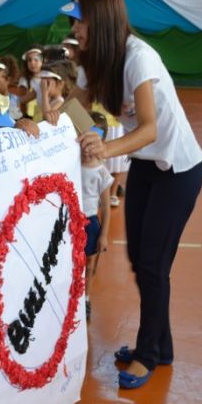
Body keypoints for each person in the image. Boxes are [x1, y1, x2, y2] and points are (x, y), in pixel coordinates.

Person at [65, 0, 202, 389]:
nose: (74, 29)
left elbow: (148, 129)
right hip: (146, 166)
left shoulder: (139, 58)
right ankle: (162, 347)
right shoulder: (94, 59)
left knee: (152, 265)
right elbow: (74, 107)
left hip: (177, 170)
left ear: (100, 20)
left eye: (79, 21)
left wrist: (104, 149)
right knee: (139, 261)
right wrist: (41, 124)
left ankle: (148, 355)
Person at [80, 112, 113, 320]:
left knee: (89, 264)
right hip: (71, 221)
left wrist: (103, 235)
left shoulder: (101, 172)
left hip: (90, 222)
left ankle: (85, 298)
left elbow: (106, 208)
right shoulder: (72, 163)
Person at [18, 46, 43, 120]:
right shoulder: (24, 80)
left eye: (36, 59)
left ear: (43, 61)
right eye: (29, 60)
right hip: (29, 117)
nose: (32, 63)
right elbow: (21, 100)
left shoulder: (47, 79)